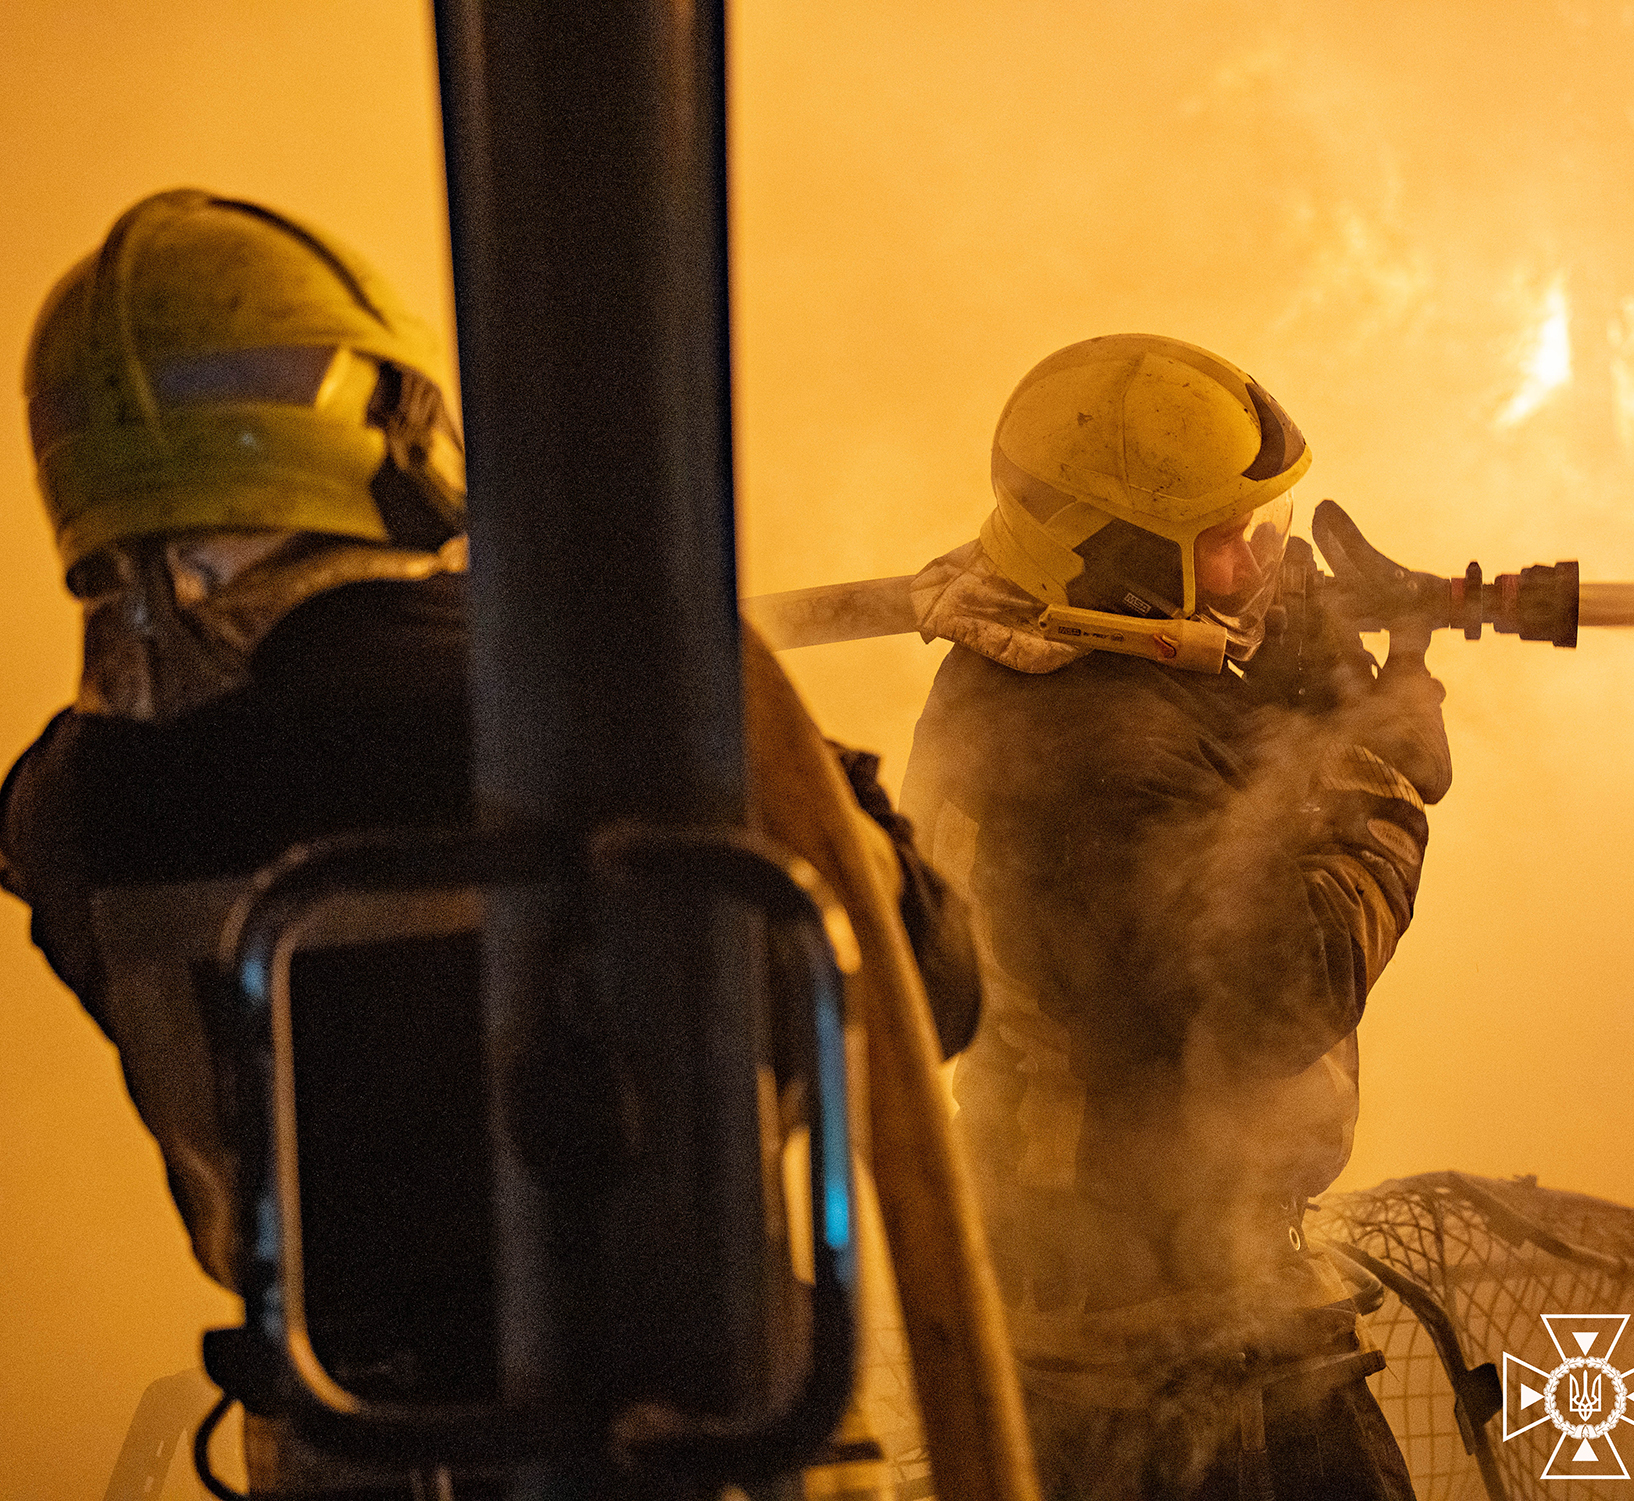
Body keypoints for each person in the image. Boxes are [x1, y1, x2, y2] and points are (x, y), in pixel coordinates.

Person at [1, 188, 981, 1497]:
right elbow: (938, 994)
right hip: (702, 1449)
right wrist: (752, 717)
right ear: (386, 422)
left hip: (345, 1453)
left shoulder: (69, 809)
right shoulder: (615, 701)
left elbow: (254, 728)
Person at [900, 334, 1450, 1500]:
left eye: (1263, 529)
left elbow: (1208, 809)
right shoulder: (1095, 754)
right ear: (1119, 560)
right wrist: (1380, 770)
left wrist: (1307, 682)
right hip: (1145, 1358)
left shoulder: (1053, 674)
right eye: (1224, 540)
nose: (1259, 563)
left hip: (1169, 1293)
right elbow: (1282, 994)